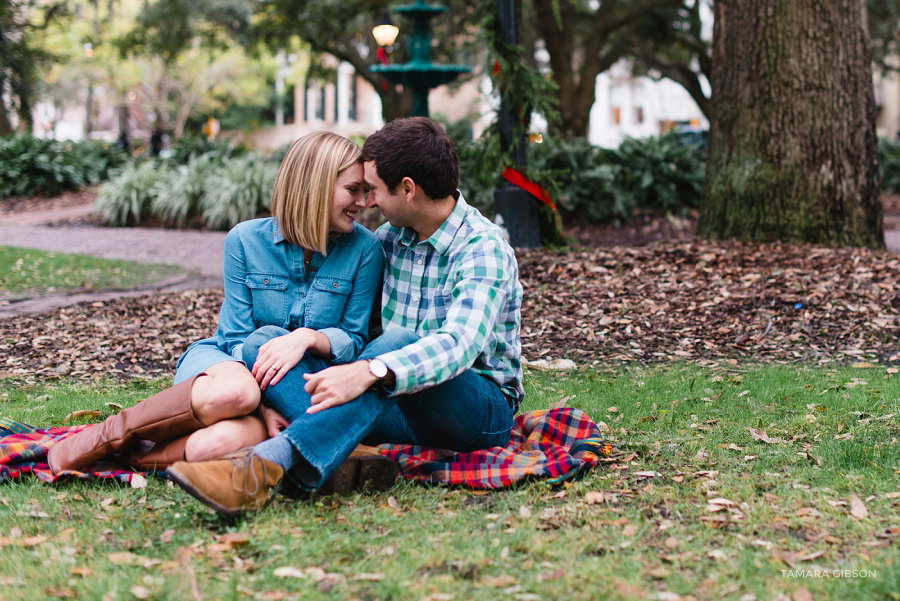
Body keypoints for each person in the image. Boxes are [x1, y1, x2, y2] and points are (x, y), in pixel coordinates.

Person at [166, 117, 525, 516]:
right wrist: (322, 351)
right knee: (263, 343)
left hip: (474, 412)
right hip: (390, 407)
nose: (368, 202)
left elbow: (459, 345)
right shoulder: (390, 242)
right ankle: (348, 451)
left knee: (397, 342)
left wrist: (371, 369)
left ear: (407, 189)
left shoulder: (483, 249)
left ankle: (266, 463)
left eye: (371, 189)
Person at [47, 132, 383, 475]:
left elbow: (354, 341)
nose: (363, 202)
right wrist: (264, 401)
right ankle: (105, 437)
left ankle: (125, 456)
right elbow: (236, 337)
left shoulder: (365, 250)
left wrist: (306, 338)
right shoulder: (245, 240)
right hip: (227, 364)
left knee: (216, 446)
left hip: (299, 384)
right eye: (352, 189)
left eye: (365, 191)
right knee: (238, 394)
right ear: (315, 185)